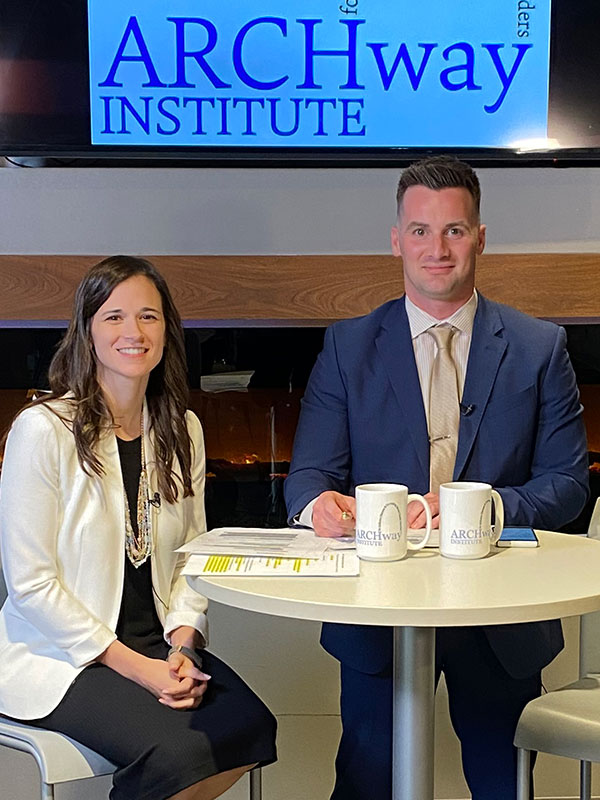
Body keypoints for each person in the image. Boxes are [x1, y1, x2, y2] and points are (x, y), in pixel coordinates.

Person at [284, 156, 589, 800]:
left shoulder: (540, 347)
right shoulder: (347, 346)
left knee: (502, 786)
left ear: (481, 237)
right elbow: (307, 477)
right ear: (396, 240)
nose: (437, 249)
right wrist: (320, 508)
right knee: (367, 781)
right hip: (379, 613)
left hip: (501, 613)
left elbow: (567, 485)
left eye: (454, 231)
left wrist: (475, 512)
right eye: (420, 231)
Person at [0, 256, 277, 800]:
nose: (133, 332)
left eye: (148, 317)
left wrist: (183, 645)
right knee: (180, 752)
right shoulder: (43, 430)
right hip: (63, 654)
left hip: (156, 641)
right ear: (87, 332)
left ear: (166, 331)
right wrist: (139, 670)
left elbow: (191, 557)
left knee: (251, 728)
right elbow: (30, 585)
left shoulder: (183, 430)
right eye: (114, 317)